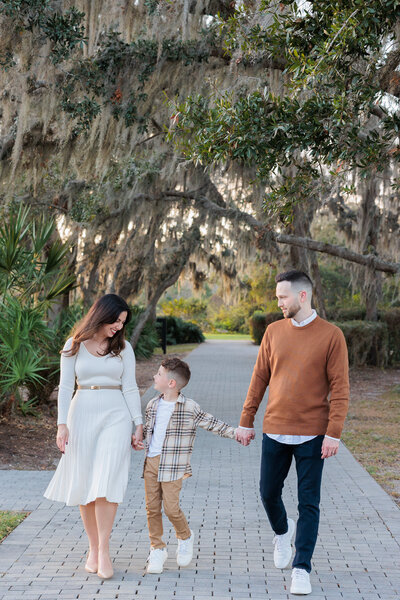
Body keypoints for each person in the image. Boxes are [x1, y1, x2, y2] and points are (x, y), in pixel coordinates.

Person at [236, 270, 349, 596]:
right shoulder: (273, 332)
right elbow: (259, 378)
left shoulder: (331, 335)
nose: (278, 302)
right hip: (275, 429)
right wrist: (247, 420)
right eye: (277, 297)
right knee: (268, 492)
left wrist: (334, 432)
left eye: (283, 297)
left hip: (314, 434)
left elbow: (341, 388)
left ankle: (301, 568)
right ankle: (282, 533)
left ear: (302, 296)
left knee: (308, 503)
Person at [44, 294, 143, 580]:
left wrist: (138, 423)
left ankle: (105, 550)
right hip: (82, 413)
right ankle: (93, 548)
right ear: (101, 315)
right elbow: (64, 389)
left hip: (116, 415)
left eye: (122, 323)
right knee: (86, 482)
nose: (118, 327)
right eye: (116, 320)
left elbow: (130, 387)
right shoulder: (73, 345)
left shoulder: (123, 348)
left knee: (106, 482)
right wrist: (62, 425)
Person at [133, 357, 236, 575]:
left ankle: (185, 536)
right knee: (152, 508)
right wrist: (140, 442)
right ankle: (157, 548)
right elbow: (151, 433)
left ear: (171, 383)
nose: (155, 376)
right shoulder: (152, 404)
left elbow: (212, 423)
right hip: (151, 462)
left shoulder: (189, 407)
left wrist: (236, 433)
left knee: (170, 508)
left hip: (173, 466)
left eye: (159, 374)